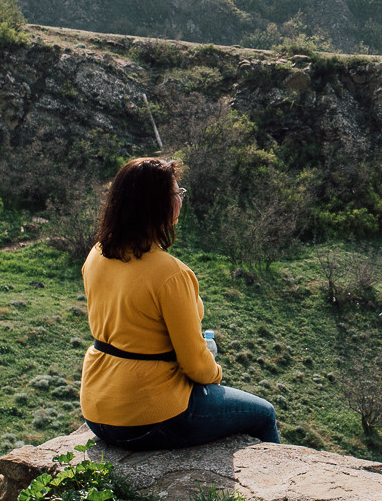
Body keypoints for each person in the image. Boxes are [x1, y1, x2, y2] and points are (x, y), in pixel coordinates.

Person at [79, 156, 280, 449]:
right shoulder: (171, 275)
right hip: (150, 417)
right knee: (264, 413)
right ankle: (268, 494)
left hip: (97, 410)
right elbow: (195, 365)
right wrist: (215, 375)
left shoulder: (97, 255)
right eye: (177, 192)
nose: (181, 197)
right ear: (157, 204)